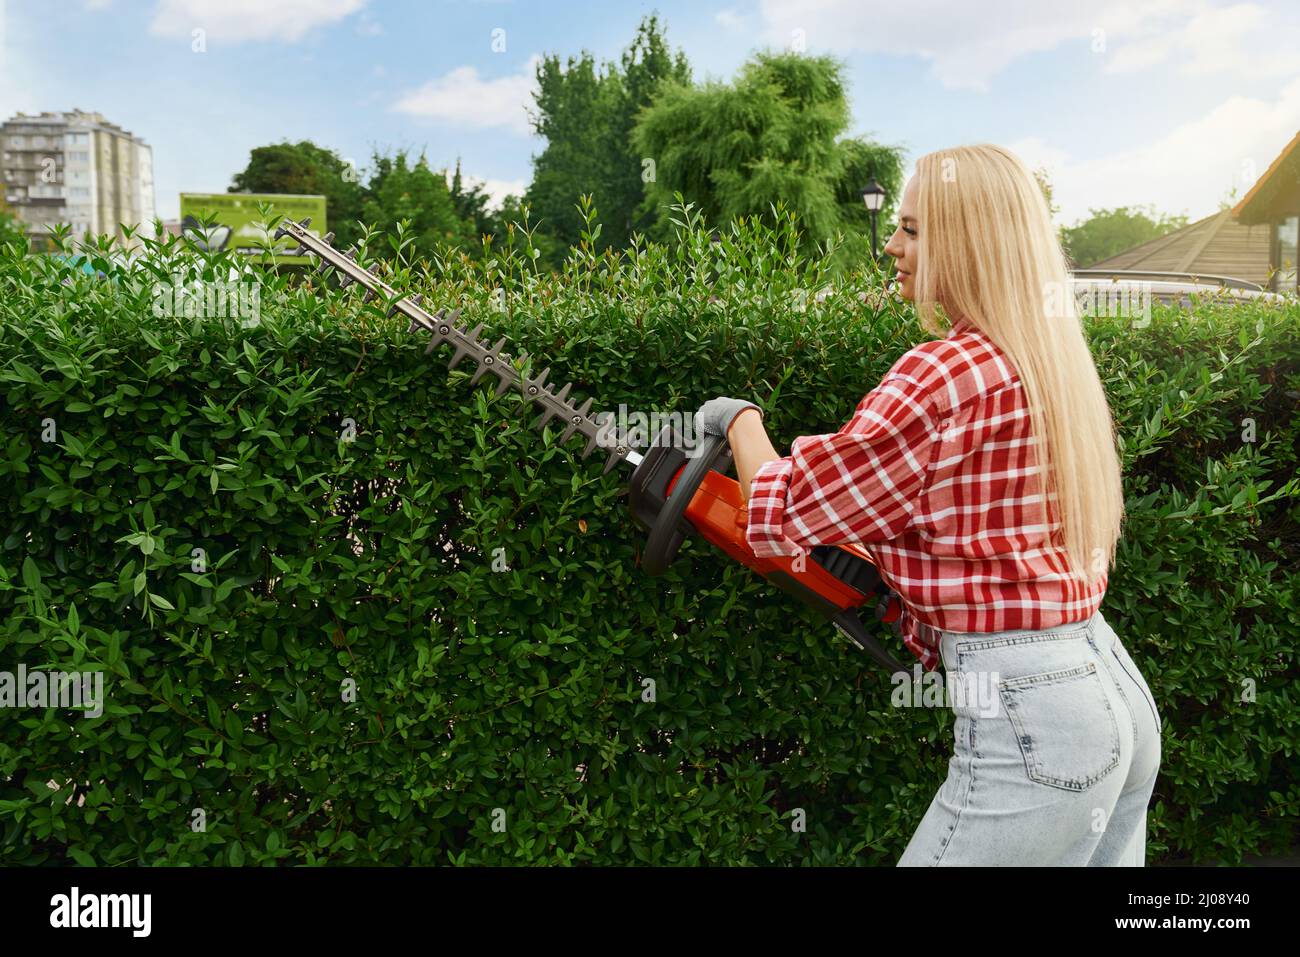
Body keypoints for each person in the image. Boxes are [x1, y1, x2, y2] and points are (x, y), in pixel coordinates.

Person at [695, 144, 1162, 866]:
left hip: (1035, 715)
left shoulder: (946, 370)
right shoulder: (1047, 358)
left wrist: (737, 419)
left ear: (967, 240)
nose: (890, 246)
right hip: (1109, 683)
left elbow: (781, 508)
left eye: (911, 229)